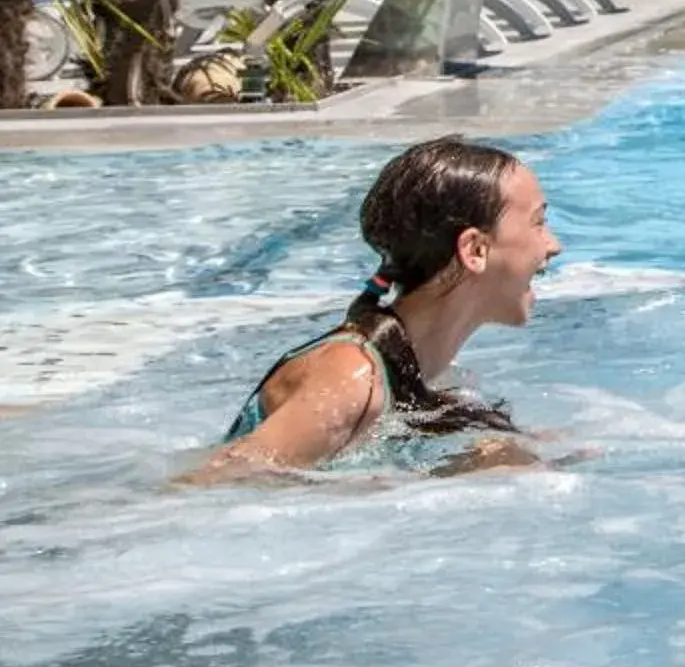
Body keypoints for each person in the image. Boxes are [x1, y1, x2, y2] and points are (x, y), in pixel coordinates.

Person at [201, 137, 558, 476]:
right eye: (538, 223)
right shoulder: (352, 380)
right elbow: (212, 485)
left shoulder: (422, 374)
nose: (553, 246)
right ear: (475, 250)